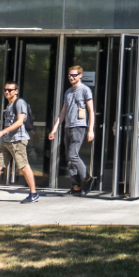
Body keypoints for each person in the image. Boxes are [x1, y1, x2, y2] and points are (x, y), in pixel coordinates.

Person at [49, 65, 96, 195]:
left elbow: (91, 110)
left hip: (79, 126)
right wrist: (54, 129)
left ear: (80, 76)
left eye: (74, 75)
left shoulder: (85, 90)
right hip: (68, 127)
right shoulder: (68, 92)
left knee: (73, 155)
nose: (71, 77)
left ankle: (88, 179)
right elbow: (63, 112)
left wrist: (90, 129)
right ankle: (76, 186)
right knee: (70, 158)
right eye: (70, 75)